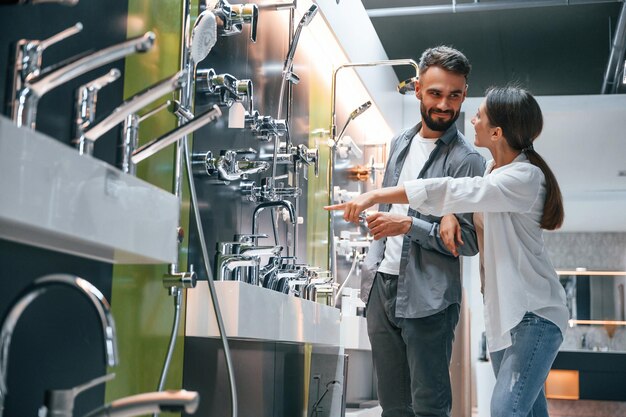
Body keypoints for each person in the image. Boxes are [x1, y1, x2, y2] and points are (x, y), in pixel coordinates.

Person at [327, 86, 569, 417]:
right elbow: (466, 197)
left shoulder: (524, 176)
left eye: (481, 114)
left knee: (506, 411)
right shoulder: (491, 171)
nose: (474, 118)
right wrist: (450, 213)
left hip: (535, 314)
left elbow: (455, 189)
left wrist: (374, 195)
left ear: (497, 132)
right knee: (527, 412)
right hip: (505, 318)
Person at [345, 46, 485, 417]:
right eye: (436, 93)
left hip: (430, 298)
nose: (445, 104)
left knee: (428, 407)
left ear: (464, 94)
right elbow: (392, 205)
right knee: (392, 406)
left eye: (454, 95)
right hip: (382, 287)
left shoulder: (467, 160)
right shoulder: (400, 143)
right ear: (419, 88)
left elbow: (468, 241)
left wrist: (408, 225)